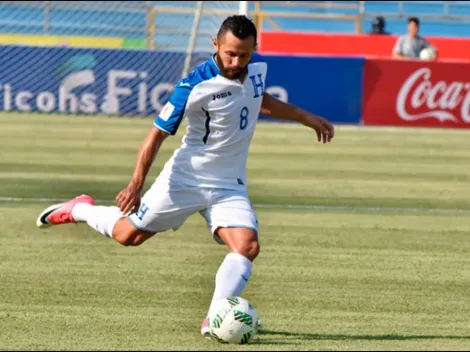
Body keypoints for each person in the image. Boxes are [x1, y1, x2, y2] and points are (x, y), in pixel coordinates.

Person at [36, 15, 335, 338]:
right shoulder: (194, 85)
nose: (236, 61)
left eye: (244, 54)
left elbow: (260, 98)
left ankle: (213, 320)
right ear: (216, 45)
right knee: (128, 236)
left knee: (247, 246)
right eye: (230, 53)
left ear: (254, 50)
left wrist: (305, 117)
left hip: (228, 185)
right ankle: (79, 208)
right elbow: (155, 135)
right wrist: (135, 185)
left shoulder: (256, 73)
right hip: (184, 180)